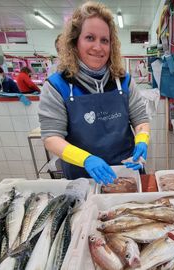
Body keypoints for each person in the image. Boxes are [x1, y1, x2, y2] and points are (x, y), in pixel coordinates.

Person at [38, 1, 150, 185]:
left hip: (126, 172)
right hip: (82, 177)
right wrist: (87, 159)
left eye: (104, 40)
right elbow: (51, 138)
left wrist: (142, 141)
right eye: (90, 38)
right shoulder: (57, 86)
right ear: (75, 43)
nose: (98, 47)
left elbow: (141, 120)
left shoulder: (124, 81)